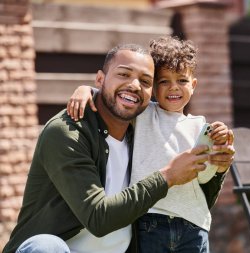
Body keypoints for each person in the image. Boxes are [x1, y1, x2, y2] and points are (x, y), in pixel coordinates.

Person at [3, 43, 235, 253]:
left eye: (144, 81)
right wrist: (168, 176)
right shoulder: (67, 132)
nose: (134, 85)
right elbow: (98, 217)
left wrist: (219, 168)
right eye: (123, 74)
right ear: (100, 80)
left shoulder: (141, 134)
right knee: (46, 247)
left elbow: (195, 194)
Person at [66, 36, 232, 253]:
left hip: (193, 223)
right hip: (151, 222)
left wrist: (218, 154)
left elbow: (204, 176)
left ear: (193, 85)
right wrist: (85, 89)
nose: (174, 88)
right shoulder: (144, 114)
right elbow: (112, 98)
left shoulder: (200, 126)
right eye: (164, 81)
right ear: (153, 87)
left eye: (182, 80)